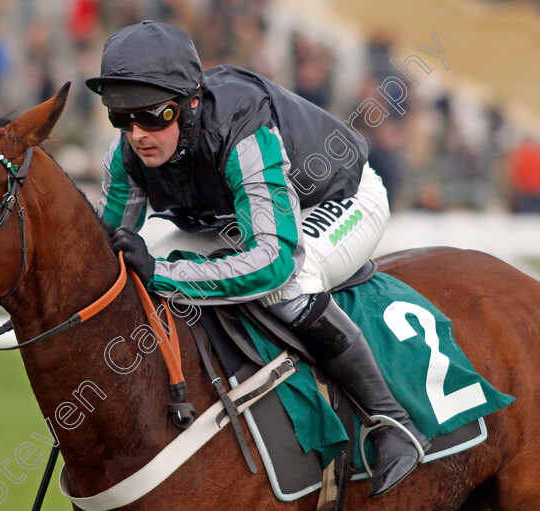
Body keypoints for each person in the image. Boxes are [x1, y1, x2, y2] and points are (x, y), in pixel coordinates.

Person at [86, 21, 429, 497]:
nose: (138, 134)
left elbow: (274, 261)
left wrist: (163, 274)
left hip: (336, 197)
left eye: (153, 116)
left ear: (189, 104)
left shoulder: (242, 125)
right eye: (121, 118)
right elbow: (110, 244)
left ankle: (391, 421)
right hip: (238, 218)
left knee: (287, 286)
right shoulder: (126, 153)